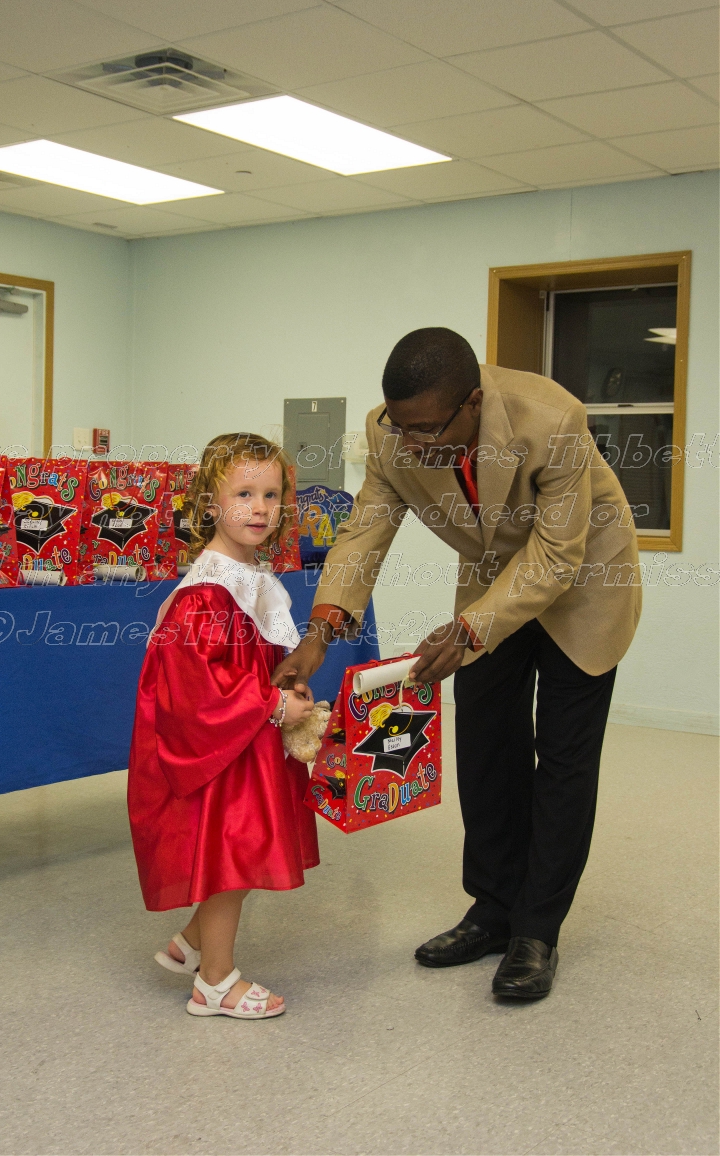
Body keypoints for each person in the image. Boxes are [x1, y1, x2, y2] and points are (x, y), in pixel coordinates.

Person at [273, 328, 642, 1001]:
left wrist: (471, 630)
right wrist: (320, 631)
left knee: (563, 758)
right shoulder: (391, 433)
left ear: (472, 404)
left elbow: (556, 557)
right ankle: (493, 909)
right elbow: (365, 531)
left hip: (587, 578)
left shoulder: (552, 419)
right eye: (402, 428)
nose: (411, 444)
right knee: (485, 743)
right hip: (493, 575)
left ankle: (537, 931)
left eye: (426, 430)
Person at [128, 433, 318, 1019]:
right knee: (230, 854)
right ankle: (213, 982)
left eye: (271, 495)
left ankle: (191, 942)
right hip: (217, 750)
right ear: (210, 503)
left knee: (244, 845)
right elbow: (196, 688)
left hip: (243, 743)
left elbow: (255, 657)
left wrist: (286, 686)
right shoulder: (206, 594)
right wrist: (270, 705)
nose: (260, 509)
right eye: (243, 494)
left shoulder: (248, 575)